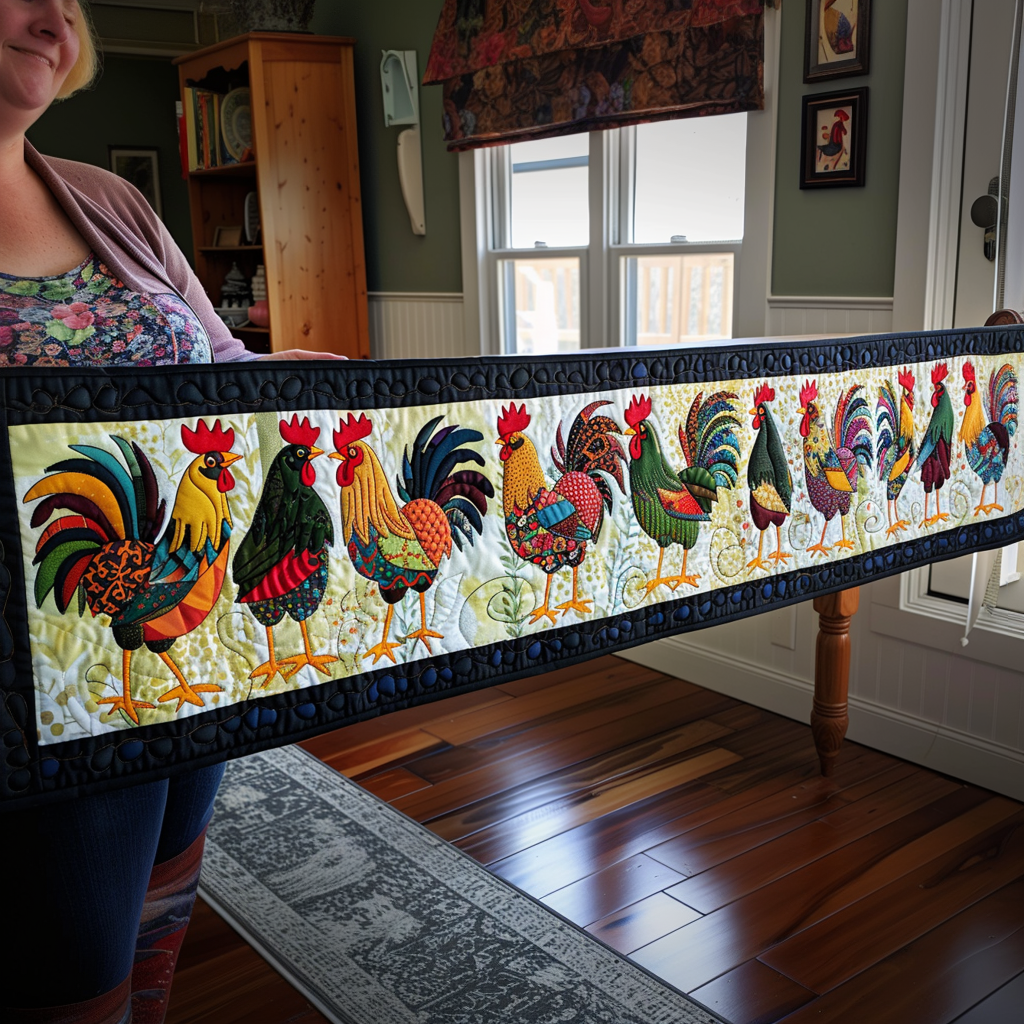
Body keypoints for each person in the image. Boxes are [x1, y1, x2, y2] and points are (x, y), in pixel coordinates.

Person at [0, 3, 341, 1021]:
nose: (53, 17)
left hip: (182, 635)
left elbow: (214, 360)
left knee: (156, 904)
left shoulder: (108, 199)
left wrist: (279, 377)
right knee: (73, 957)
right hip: (35, 681)